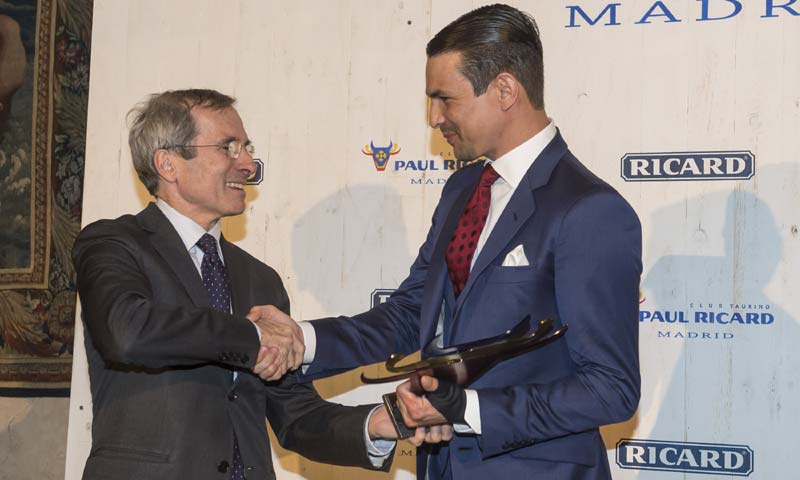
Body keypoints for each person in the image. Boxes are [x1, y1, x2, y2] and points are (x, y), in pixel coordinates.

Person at [252, 4, 642, 479]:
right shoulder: (464, 190)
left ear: (504, 90)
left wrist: (467, 410)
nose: (433, 118)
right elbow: (412, 312)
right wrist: (301, 339)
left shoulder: (588, 210)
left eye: (445, 99)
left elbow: (610, 389)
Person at [73, 89, 407, 480]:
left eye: (246, 147)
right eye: (228, 147)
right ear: (167, 163)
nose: (248, 164)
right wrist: (252, 336)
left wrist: (379, 424)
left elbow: (294, 413)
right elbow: (128, 332)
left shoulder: (260, 279)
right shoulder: (114, 243)